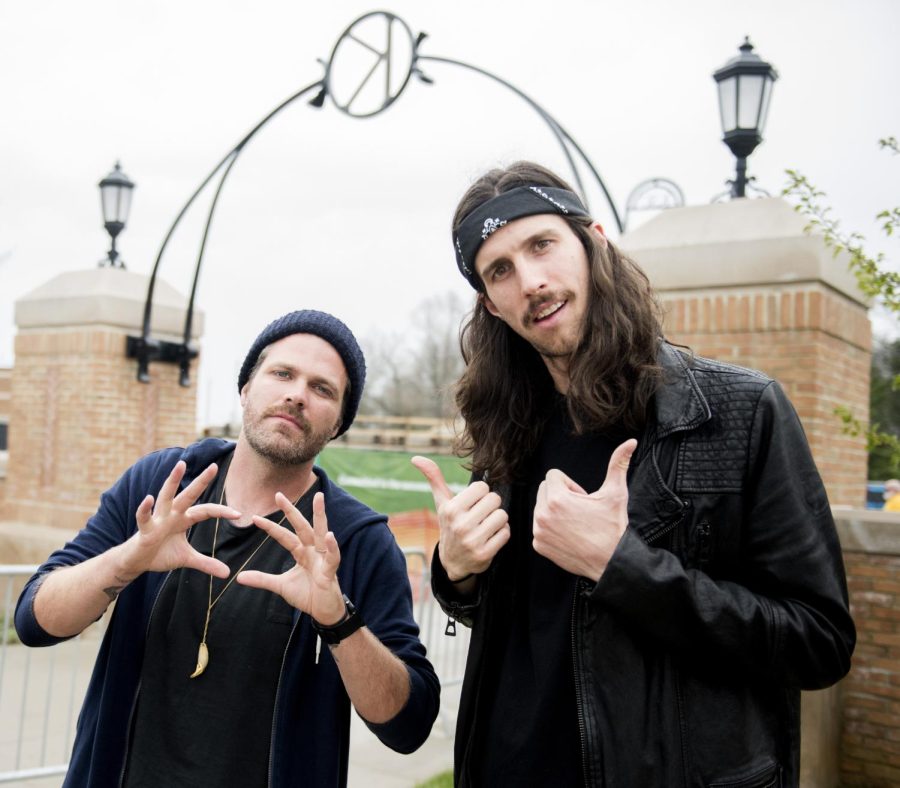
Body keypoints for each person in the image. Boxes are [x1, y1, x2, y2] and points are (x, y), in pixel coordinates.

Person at [412, 162, 855, 787]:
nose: (531, 281)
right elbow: (546, 623)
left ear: (595, 242)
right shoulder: (506, 429)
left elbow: (819, 640)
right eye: (500, 270)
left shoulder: (737, 412)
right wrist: (456, 572)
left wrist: (623, 567)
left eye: (542, 245)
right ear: (490, 304)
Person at [16, 309, 440, 788]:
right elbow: (34, 621)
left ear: (338, 422)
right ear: (245, 389)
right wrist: (129, 557)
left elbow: (408, 725)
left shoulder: (354, 539)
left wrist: (338, 620)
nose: (296, 394)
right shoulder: (161, 484)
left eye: (322, 389)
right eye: (282, 373)